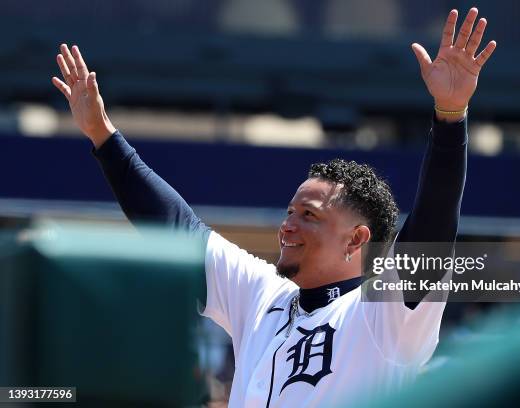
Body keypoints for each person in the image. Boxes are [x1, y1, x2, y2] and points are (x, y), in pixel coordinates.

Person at [52, 8, 495, 407]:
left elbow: (433, 220)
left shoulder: (382, 315)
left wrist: (450, 115)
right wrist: (103, 136)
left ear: (357, 239)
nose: (288, 226)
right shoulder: (264, 295)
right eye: (289, 213)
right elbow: (177, 227)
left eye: (310, 216)